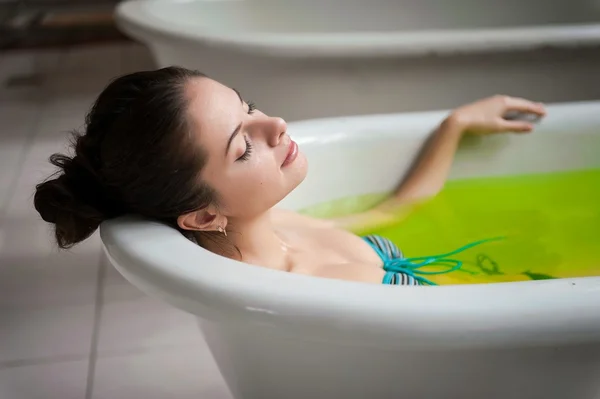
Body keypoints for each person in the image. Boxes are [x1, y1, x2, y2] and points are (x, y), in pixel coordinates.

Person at [33, 66, 546, 286]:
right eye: (243, 146)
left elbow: (390, 211)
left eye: (249, 106)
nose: (275, 125)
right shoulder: (307, 288)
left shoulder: (278, 227)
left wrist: (453, 127)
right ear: (204, 214)